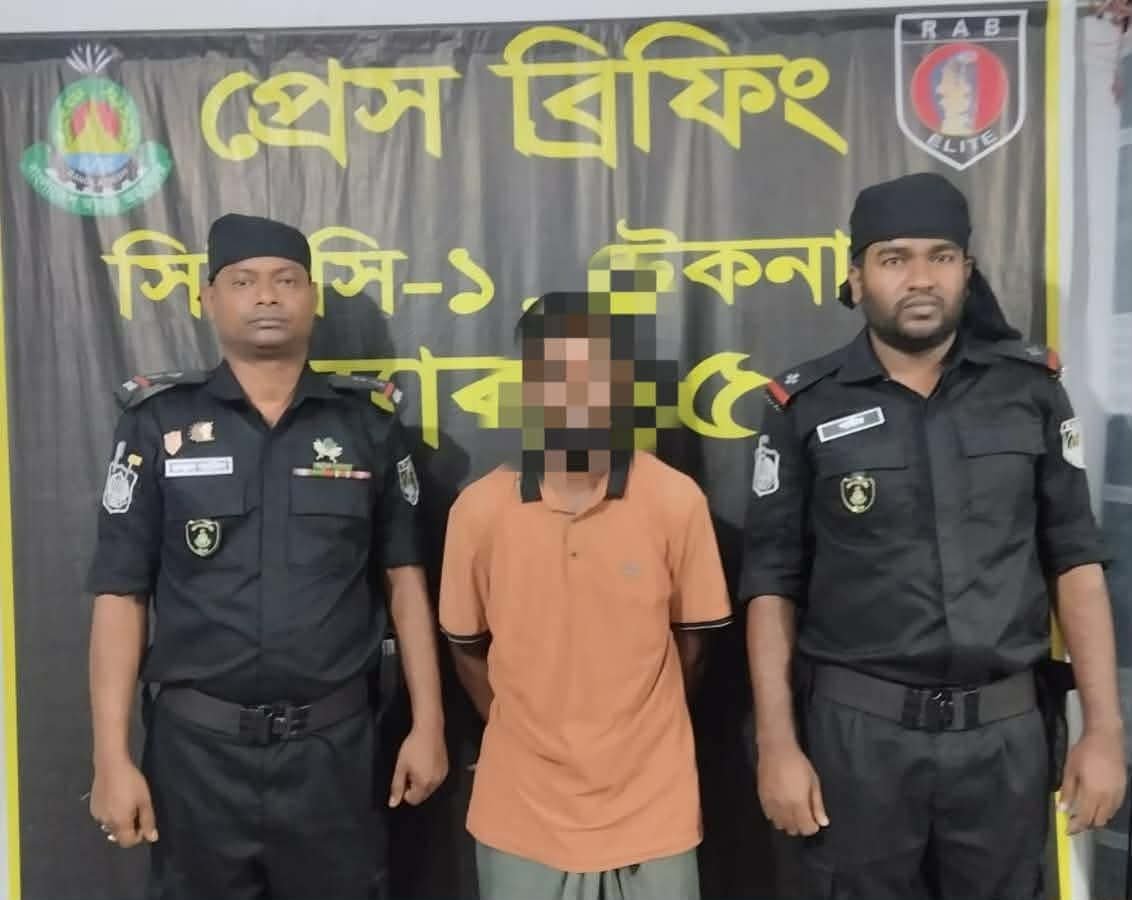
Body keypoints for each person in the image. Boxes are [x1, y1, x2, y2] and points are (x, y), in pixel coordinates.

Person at [740, 173, 1127, 899]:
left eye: (941, 256)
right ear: (857, 277)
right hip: (857, 745)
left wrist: (1104, 730)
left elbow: (1075, 562)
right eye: (894, 258)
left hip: (1003, 742)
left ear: (966, 270)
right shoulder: (804, 405)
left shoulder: (1031, 391)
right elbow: (772, 583)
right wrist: (777, 743)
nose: (920, 278)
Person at [85, 213, 448, 900]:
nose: (266, 296)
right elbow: (121, 592)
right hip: (197, 756)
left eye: (286, 280)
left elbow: (405, 582)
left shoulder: (366, 425)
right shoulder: (158, 423)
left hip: (335, 754)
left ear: (312, 297)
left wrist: (428, 723)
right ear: (208, 297)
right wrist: (110, 756)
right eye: (243, 281)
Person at [439, 291, 732, 900]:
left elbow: (693, 649)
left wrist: (630, 737)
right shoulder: (478, 511)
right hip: (521, 813)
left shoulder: (676, 502)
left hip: (653, 812)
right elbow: (467, 651)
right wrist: (529, 733)